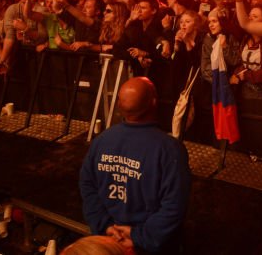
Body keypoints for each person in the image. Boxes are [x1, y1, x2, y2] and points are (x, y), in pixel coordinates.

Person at [79, 77, 190, 255]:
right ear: (154, 102)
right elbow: (174, 205)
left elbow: (87, 186)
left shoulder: (101, 141)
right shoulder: (170, 150)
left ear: (119, 107)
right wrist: (138, 236)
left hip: (109, 242)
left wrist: (105, 226)